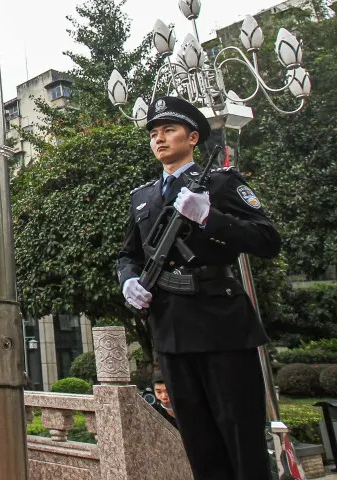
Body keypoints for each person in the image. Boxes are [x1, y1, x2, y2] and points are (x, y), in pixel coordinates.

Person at [117, 96, 281, 480]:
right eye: (154, 133)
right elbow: (129, 255)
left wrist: (210, 216)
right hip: (171, 330)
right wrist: (128, 282)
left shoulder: (221, 183)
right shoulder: (142, 197)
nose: (159, 139)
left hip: (221, 325)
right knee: (198, 442)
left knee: (241, 438)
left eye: (169, 130)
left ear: (192, 138)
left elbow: (267, 240)